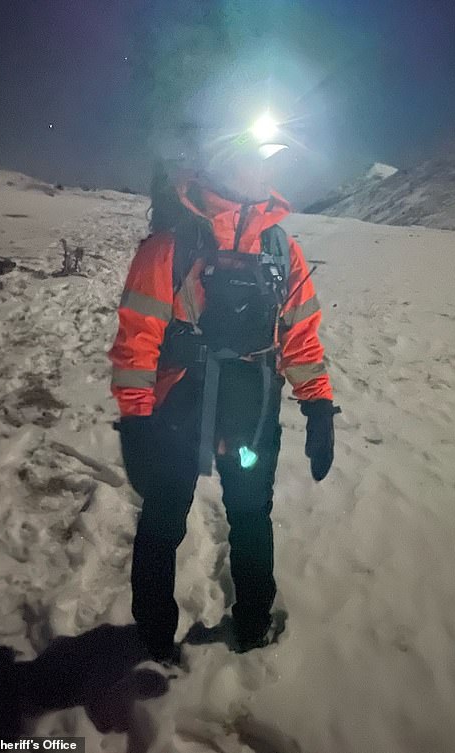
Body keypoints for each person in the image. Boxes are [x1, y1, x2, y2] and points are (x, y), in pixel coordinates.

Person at [109, 118, 336, 662]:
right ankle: (153, 636)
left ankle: (255, 623)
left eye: (270, 159)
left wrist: (319, 405)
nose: (265, 169)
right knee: (165, 516)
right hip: (179, 404)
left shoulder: (284, 251)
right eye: (254, 156)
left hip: (253, 403)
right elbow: (138, 342)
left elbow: (300, 339)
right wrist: (136, 419)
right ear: (222, 163)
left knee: (252, 515)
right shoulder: (170, 246)